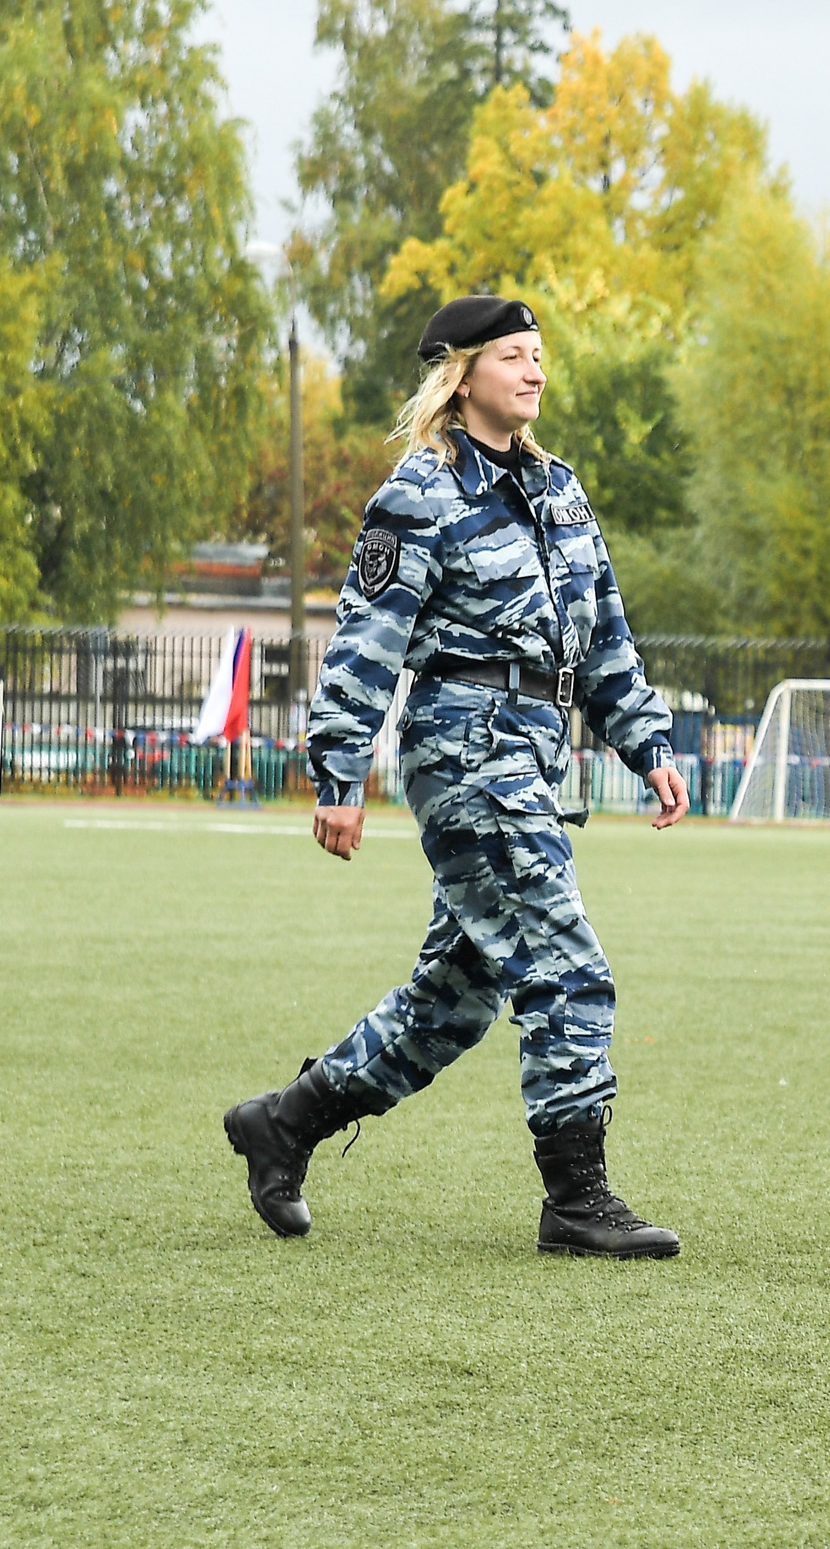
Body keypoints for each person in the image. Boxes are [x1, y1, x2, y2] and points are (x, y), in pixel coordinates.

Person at [222, 296, 692, 1259]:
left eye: (541, 357)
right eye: (516, 356)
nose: (536, 372)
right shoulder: (420, 492)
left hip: (538, 753)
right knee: (567, 967)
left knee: (458, 994)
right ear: (462, 372)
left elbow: (602, 638)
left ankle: (285, 1123)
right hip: (466, 753)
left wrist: (648, 744)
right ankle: (576, 1199)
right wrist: (339, 771)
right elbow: (366, 638)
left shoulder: (559, 488)